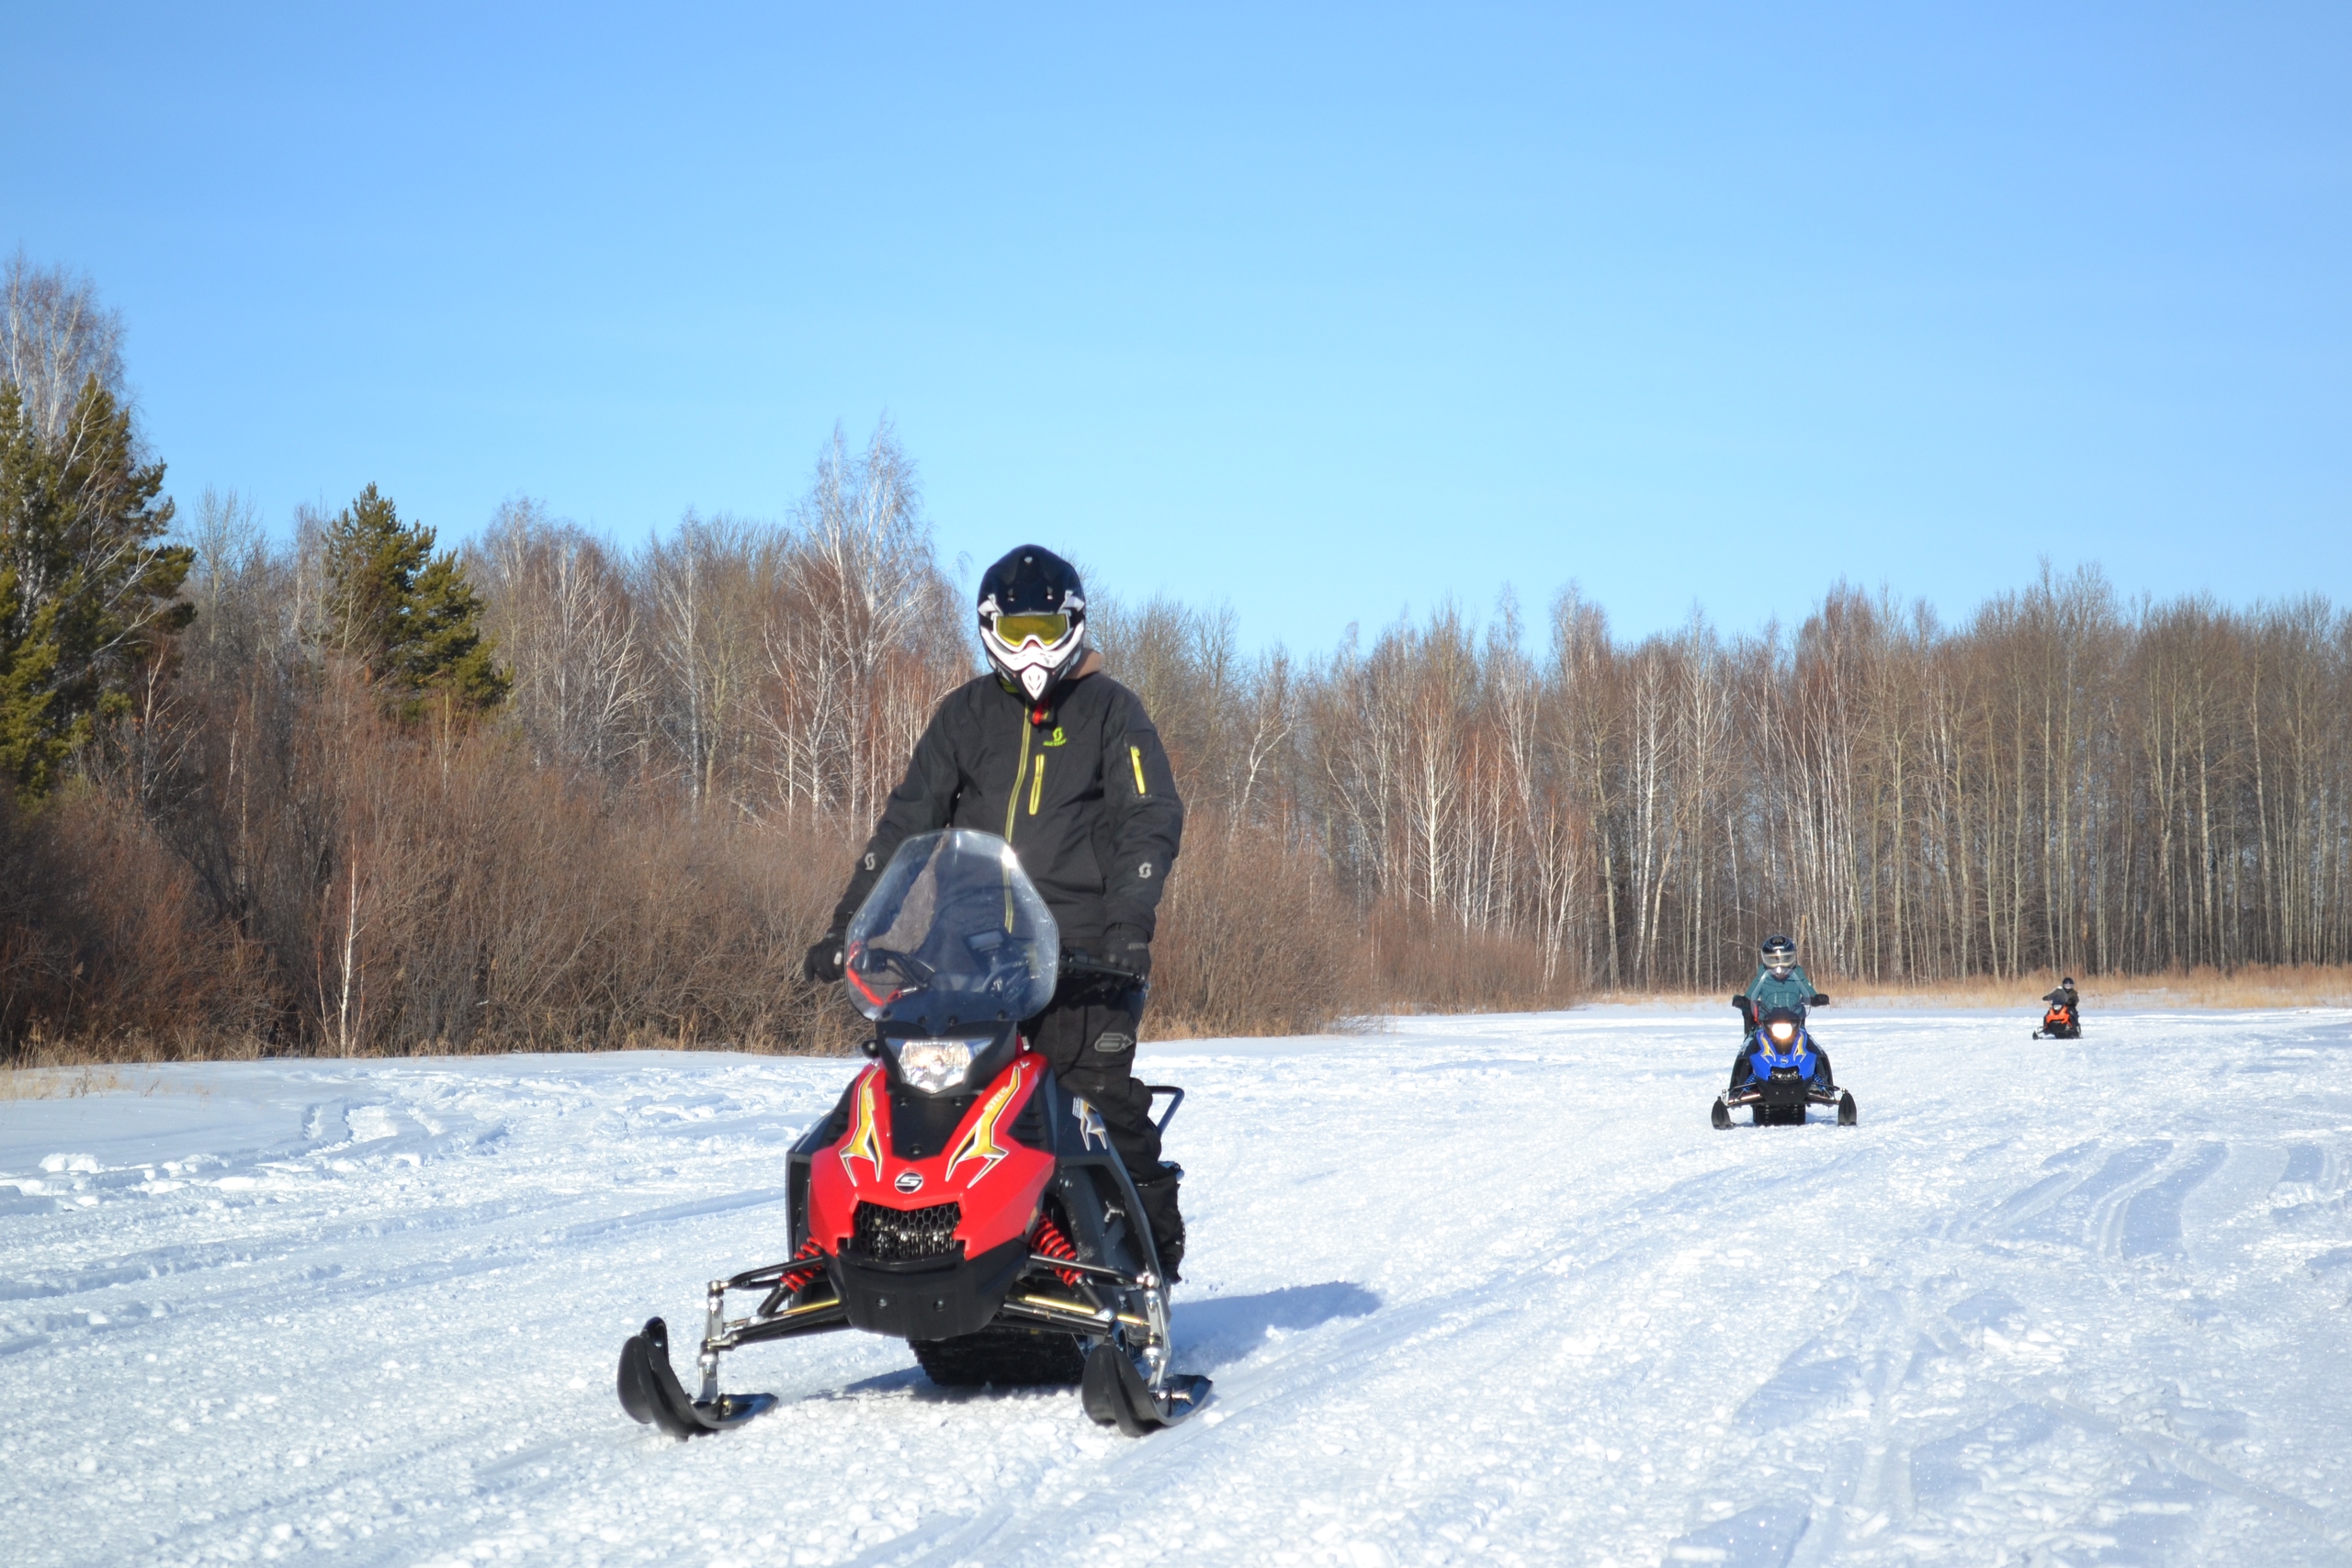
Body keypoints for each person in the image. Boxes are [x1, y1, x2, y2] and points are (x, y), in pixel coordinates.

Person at [802, 545, 1189, 1279]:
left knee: (1090, 1098)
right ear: (989, 632)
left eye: (1047, 627)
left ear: (1074, 624)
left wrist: (1129, 928)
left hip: (1088, 954)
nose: (1034, 648)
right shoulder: (965, 716)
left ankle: (1150, 1257)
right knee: (922, 1095)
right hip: (971, 951)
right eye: (1017, 631)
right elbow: (904, 826)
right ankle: (893, 1253)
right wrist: (849, 927)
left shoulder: (1112, 712)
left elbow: (1151, 819)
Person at [1728, 933, 1832, 1093]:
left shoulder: (1797, 973)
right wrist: (1742, 1000)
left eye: (1784, 958)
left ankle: (1822, 1084)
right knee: (1749, 1048)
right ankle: (1739, 1087)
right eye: (1774, 959)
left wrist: (1817, 998)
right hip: (1766, 1024)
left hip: (1795, 1023)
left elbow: (1808, 990)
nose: (1779, 964)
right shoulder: (1763, 974)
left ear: (1792, 957)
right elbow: (1751, 993)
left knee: (1814, 1048)